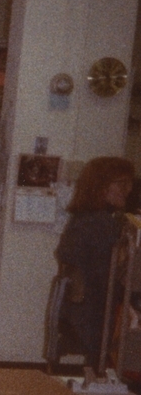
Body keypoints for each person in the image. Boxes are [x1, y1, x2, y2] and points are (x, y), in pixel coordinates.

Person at [55, 156, 135, 370]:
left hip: (72, 314)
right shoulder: (102, 224)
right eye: (121, 184)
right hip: (91, 320)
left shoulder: (81, 219)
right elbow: (107, 282)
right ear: (101, 186)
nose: (127, 190)